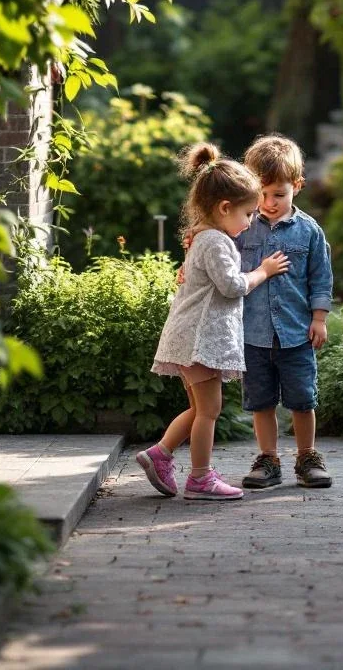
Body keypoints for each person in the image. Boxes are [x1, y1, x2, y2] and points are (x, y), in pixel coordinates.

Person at [136, 142, 290, 501]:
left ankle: (159, 455)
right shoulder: (217, 243)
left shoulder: (200, 237)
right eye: (248, 213)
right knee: (209, 411)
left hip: (191, 338)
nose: (251, 221)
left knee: (197, 408)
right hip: (201, 340)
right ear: (224, 208)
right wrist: (262, 272)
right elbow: (233, 286)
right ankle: (201, 478)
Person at [237, 134, 334, 489]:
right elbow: (220, 258)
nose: (269, 202)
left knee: (302, 399)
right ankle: (268, 459)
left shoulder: (309, 231)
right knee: (261, 402)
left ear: (297, 186)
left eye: (279, 194)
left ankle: (307, 456)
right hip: (254, 333)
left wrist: (319, 318)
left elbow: (321, 277)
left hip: (295, 333)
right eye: (261, 194)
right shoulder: (241, 228)